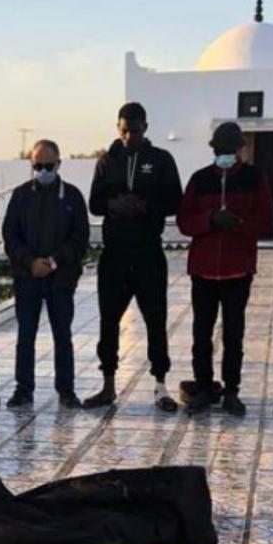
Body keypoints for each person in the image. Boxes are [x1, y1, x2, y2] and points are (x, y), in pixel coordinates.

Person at [84, 101, 183, 412]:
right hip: (115, 254)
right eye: (125, 130)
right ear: (118, 127)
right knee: (109, 321)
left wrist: (144, 205)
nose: (130, 137)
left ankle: (160, 386)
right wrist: (115, 206)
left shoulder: (161, 159)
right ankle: (109, 385)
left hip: (148, 254)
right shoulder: (106, 161)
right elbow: (95, 203)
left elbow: (175, 201)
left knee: (155, 319)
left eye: (136, 131)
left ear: (146, 129)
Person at [176, 121, 273, 416]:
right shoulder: (200, 179)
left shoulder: (254, 178)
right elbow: (184, 220)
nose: (225, 155)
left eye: (230, 150)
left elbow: (265, 218)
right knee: (201, 333)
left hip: (237, 270)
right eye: (220, 150)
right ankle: (205, 388)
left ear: (240, 149)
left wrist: (238, 225)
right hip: (203, 270)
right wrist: (209, 220)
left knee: (234, 334)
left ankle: (231, 391)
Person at [1, 139, 89, 409]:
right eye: (37, 166)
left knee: (62, 335)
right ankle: (23, 389)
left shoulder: (72, 196)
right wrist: (30, 263)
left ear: (58, 164)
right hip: (28, 278)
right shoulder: (21, 195)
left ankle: (66, 390)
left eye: (47, 166)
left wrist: (53, 261)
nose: (42, 171)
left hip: (60, 279)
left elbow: (80, 238)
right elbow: (10, 235)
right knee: (25, 335)